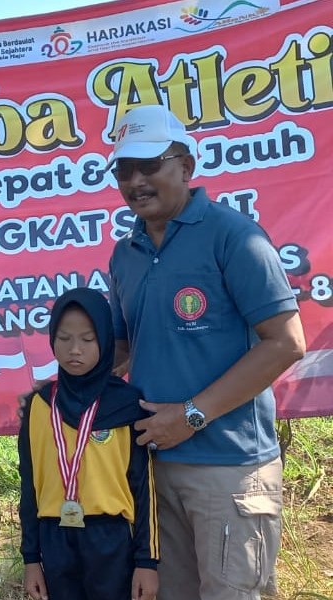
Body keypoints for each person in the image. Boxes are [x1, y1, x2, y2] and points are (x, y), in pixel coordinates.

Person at [106, 104, 306, 600]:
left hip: (229, 468)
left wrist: (191, 415)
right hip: (154, 467)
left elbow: (286, 342)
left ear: (186, 166)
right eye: (125, 170)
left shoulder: (234, 236)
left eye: (149, 166)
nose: (136, 181)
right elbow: (120, 349)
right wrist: (58, 401)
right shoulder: (125, 253)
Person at [19, 288, 158, 600]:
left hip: (111, 539)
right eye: (64, 338)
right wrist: (31, 558)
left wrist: (146, 561)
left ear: (105, 341)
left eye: (87, 339)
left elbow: (143, 487)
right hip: (54, 539)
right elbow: (29, 485)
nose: (74, 350)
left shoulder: (127, 404)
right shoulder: (39, 405)